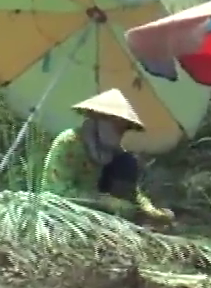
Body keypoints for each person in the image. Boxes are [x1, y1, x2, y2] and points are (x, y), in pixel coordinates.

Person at [41, 89, 174, 226]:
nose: (121, 133)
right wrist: (106, 202)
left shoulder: (113, 152)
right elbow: (59, 192)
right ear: (100, 119)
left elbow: (132, 193)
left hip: (97, 206)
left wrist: (149, 211)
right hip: (62, 209)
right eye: (117, 126)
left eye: (124, 129)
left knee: (127, 162)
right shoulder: (70, 142)